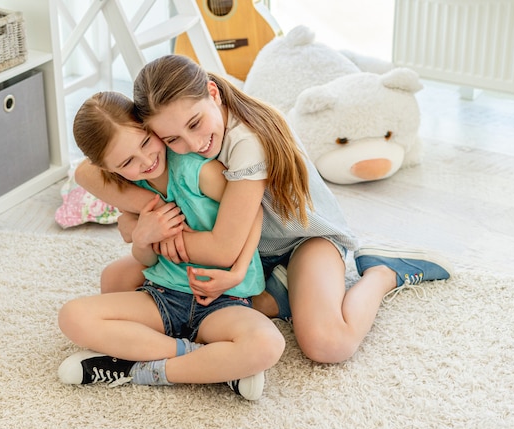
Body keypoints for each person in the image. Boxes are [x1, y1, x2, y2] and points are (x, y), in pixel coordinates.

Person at [75, 54, 453, 365]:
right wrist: (147, 210)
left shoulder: (246, 144)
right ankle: (279, 293)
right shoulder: (162, 136)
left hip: (301, 240)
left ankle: (382, 273)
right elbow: (85, 171)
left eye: (195, 124)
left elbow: (223, 247)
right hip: (251, 248)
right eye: (172, 138)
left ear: (213, 93)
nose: (191, 144)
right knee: (119, 282)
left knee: (328, 345)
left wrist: (149, 233)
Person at [57, 91, 285, 401]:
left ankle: (141, 369)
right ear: (110, 169)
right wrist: (142, 234)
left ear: (150, 129)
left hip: (220, 300)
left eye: (146, 143)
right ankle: (207, 362)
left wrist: (240, 269)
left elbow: (252, 209)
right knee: (72, 316)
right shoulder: (131, 186)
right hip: (163, 295)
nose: (146, 161)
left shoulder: (197, 170)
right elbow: (146, 259)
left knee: (267, 344)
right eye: (127, 162)